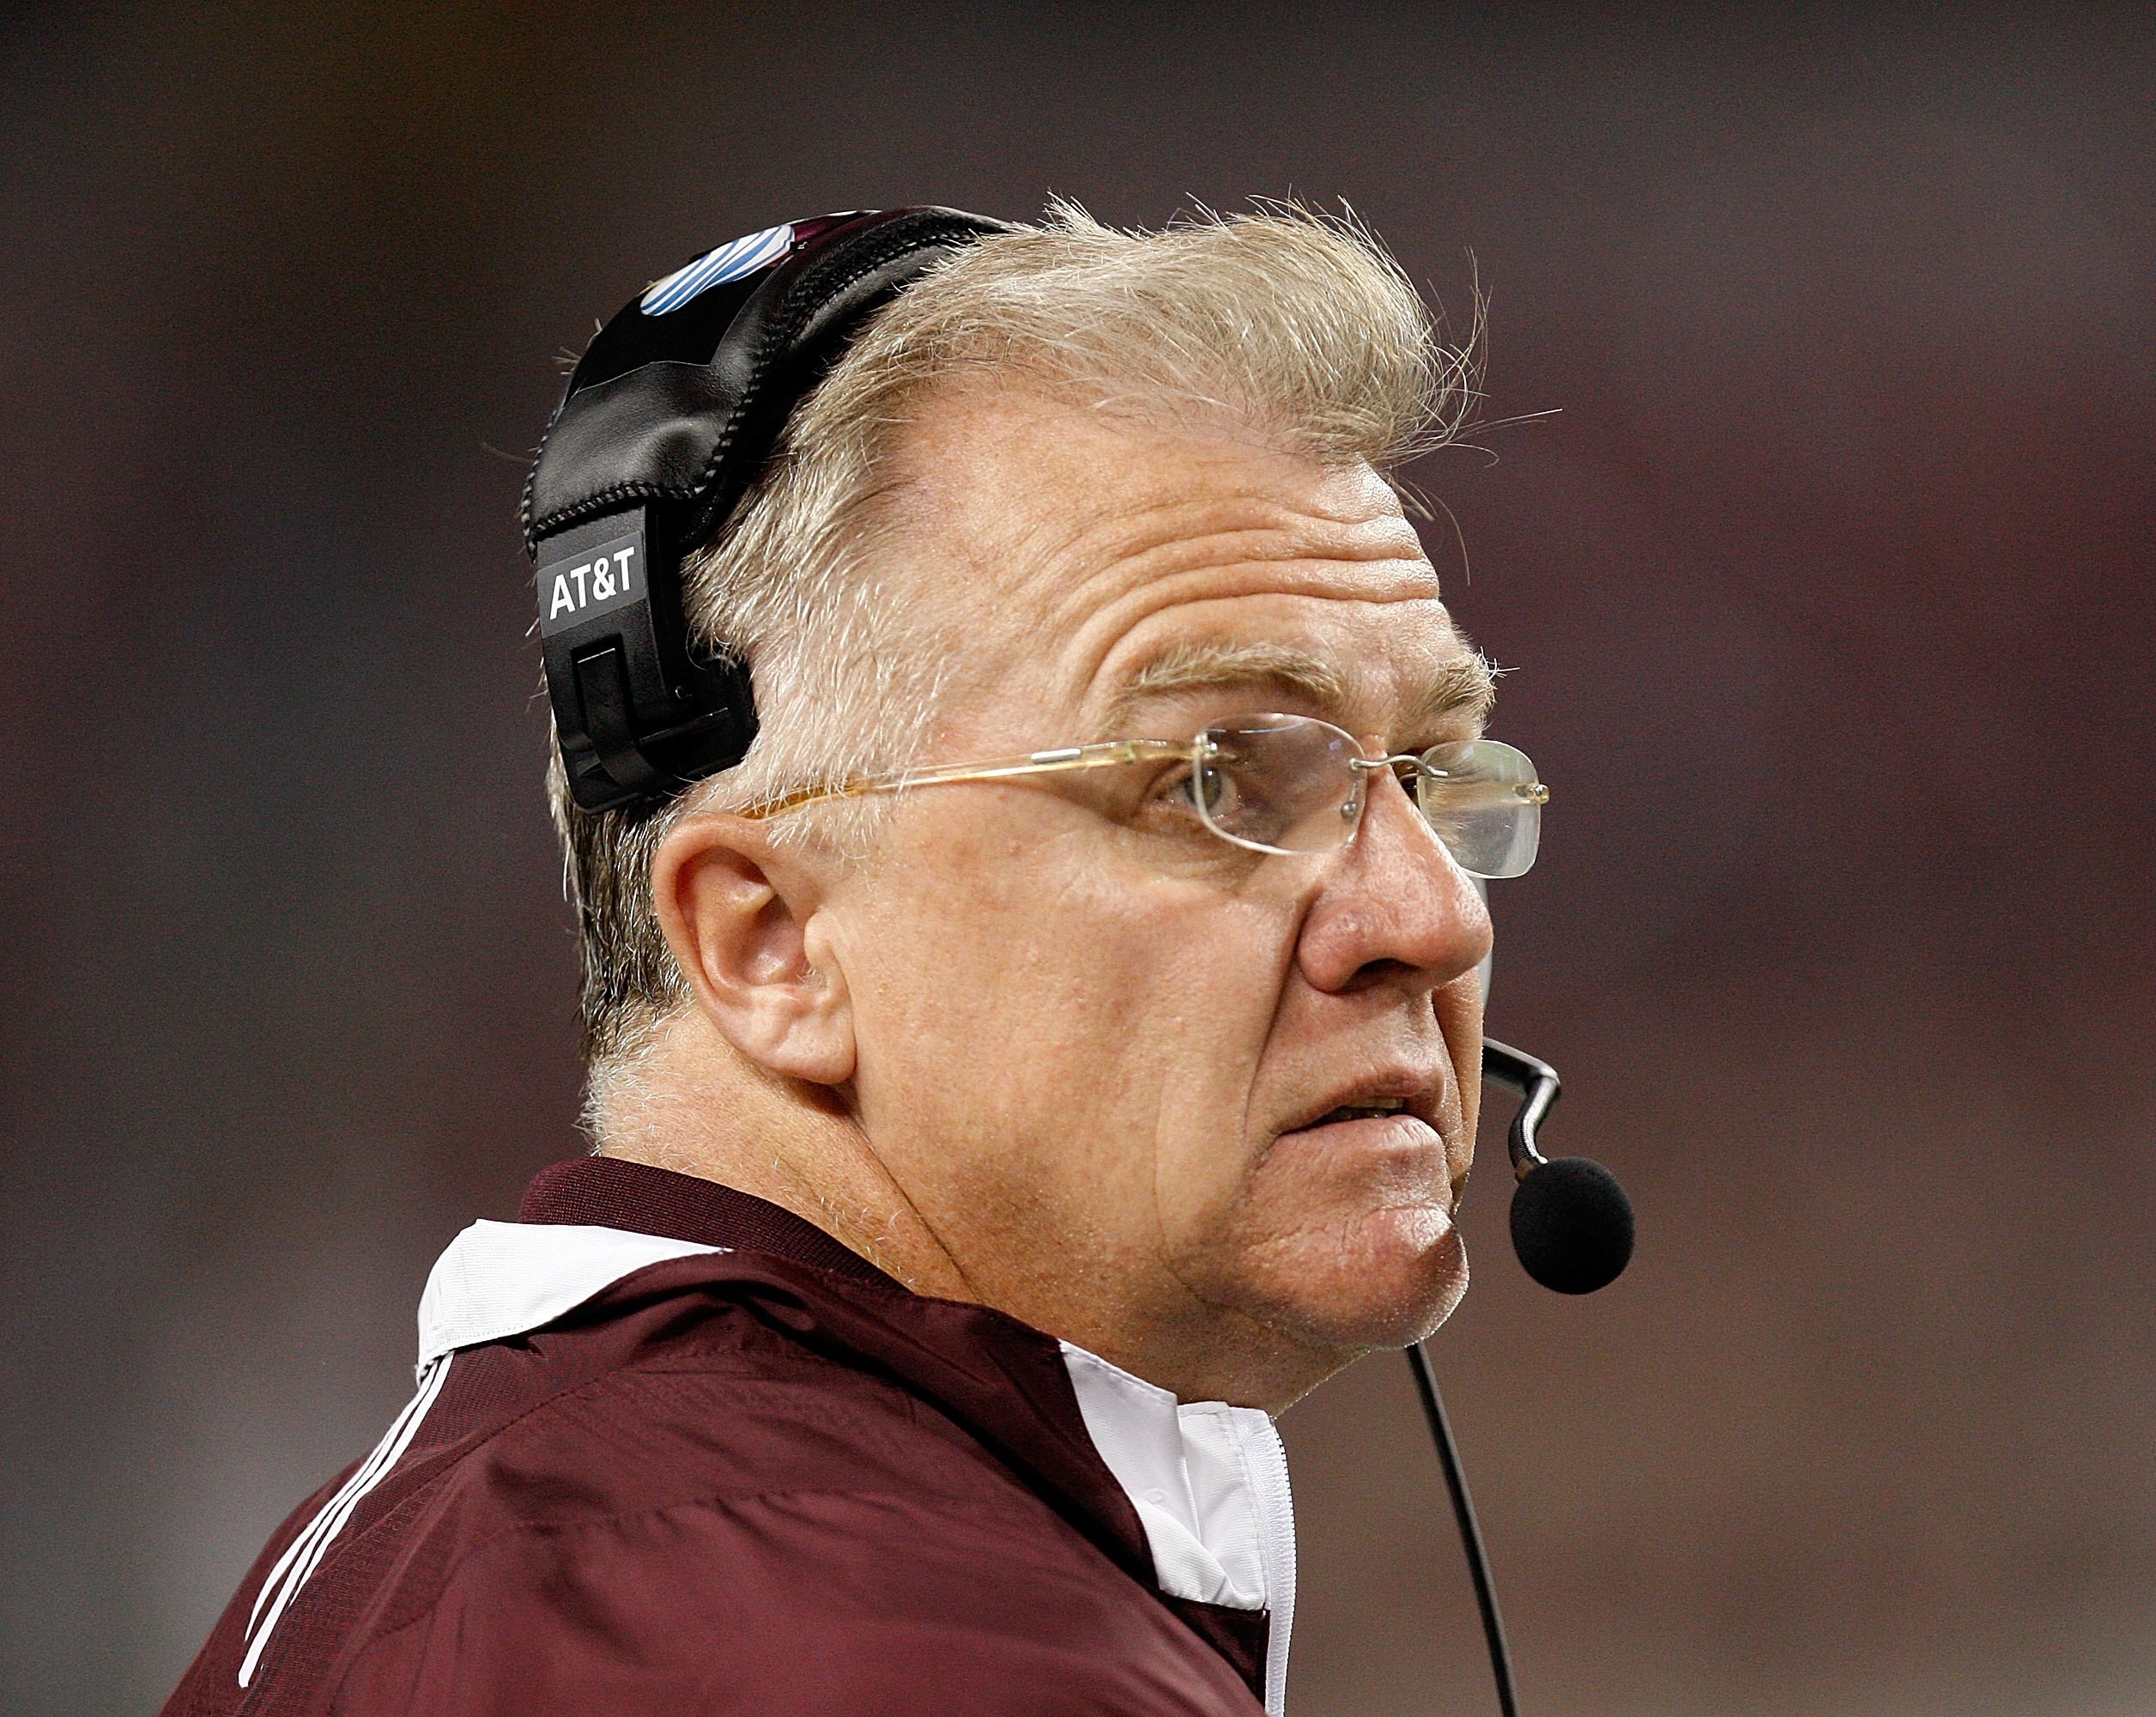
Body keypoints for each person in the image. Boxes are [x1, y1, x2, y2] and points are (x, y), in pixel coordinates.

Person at [161, 202, 1547, 1714]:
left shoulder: (547, 1541)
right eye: (1218, 774)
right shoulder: (877, 1646)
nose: (1433, 918)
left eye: (1428, 767)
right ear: (770, 944)